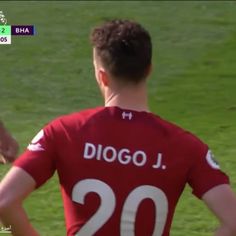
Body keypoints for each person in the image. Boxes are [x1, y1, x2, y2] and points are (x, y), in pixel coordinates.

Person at [0, 19, 236, 236]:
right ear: (149, 70)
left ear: (102, 77)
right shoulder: (187, 147)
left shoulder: (64, 132)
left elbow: (4, 203)